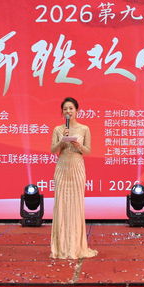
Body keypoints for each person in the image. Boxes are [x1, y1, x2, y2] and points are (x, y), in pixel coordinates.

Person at [49, 97, 98, 259]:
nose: (68, 111)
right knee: (61, 205)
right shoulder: (58, 129)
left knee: (76, 205)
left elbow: (88, 151)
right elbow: (53, 150)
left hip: (77, 168)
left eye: (71, 108)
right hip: (62, 168)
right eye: (65, 109)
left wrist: (78, 145)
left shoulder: (84, 129)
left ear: (77, 111)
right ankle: (61, 247)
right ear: (62, 112)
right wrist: (62, 141)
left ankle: (76, 246)